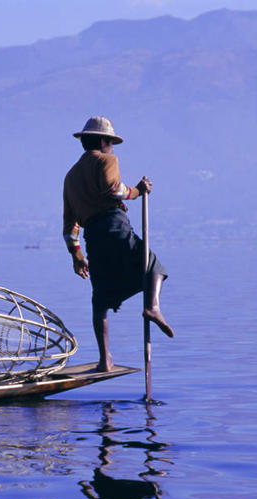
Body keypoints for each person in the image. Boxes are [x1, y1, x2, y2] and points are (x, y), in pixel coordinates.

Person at [62, 116, 174, 372]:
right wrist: (138, 190)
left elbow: (70, 226)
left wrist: (76, 255)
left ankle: (105, 360)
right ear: (103, 141)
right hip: (114, 226)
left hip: (94, 239)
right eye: (110, 142)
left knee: (99, 300)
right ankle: (153, 308)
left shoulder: (70, 177)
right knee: (153, 265)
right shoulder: (107, 160)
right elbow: (114, 190)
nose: (112, 148)